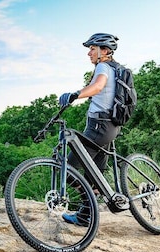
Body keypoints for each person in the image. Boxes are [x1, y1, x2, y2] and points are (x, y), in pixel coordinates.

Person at [58, 33, 122, 226]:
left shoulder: (103, 67)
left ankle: (89, 209)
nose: (89, 53)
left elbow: (97, 86)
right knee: (94, 176)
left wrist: (75, 95)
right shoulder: (115, 69)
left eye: (92, 49)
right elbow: (97, 88)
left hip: (99, 127)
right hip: (110, 127)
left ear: (105, 51)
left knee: (67, 170)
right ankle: (86, 215)